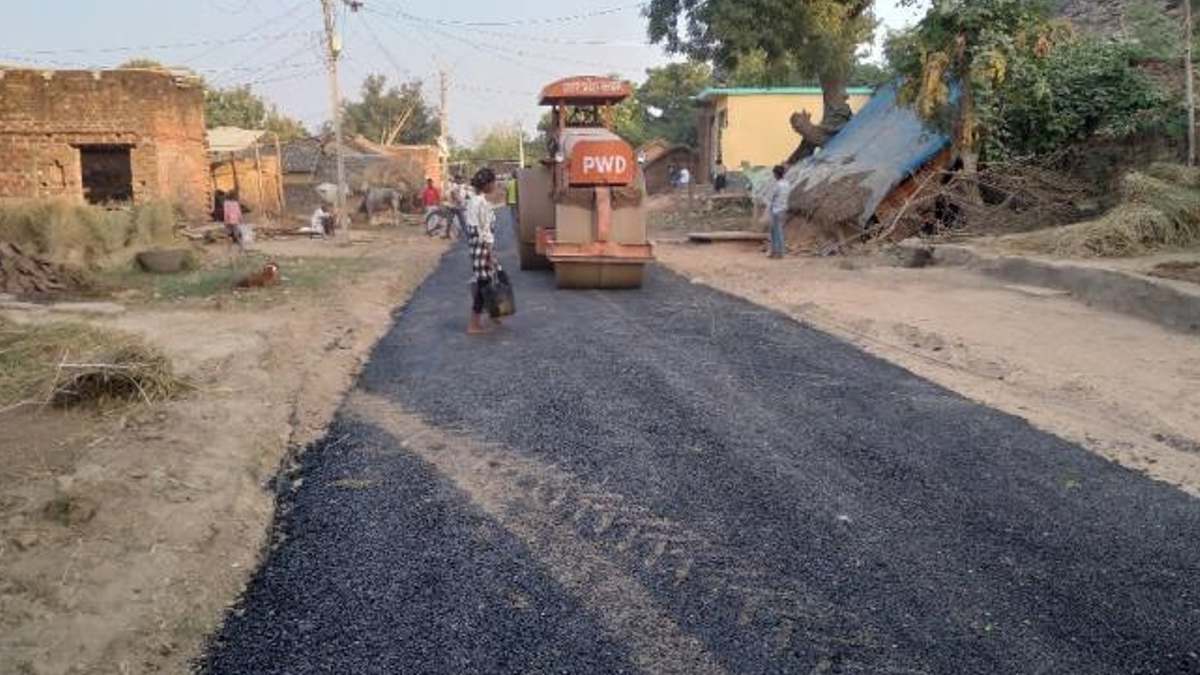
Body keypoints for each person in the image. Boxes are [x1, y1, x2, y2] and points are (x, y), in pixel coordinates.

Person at [465, 167, 504, 334]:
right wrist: (490, 253)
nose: (495, 185)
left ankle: (493, 315)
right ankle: (473, 324)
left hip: (478, 247)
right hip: (482, 248)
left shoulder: (475, 201)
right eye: (493, 182)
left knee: (487, 281)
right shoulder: (481, 204)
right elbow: (483, 231)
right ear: (487, 184)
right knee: (484, 285)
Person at [765, 165, 789, 259]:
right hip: (783, 209)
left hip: (776, 210)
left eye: (774, 174)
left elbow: (772, 197)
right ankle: (777, 251)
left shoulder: (777, 185)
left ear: (776, 174)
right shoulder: (787, 184)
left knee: (775, 231)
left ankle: (777, 251)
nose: (773, 175)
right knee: (778, 230)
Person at [449, 175, 468, 240]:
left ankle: (448, 233)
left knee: (452, 220)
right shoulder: (454, 186)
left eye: (460, 179)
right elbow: (453, 194)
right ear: (456, 179)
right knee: (462, 221)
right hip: (456, 206)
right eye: (459, 179)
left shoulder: (458, 186)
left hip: (457, 206)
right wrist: (458, 200)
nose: (460, 180)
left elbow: (460, 195)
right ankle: (465, 234)